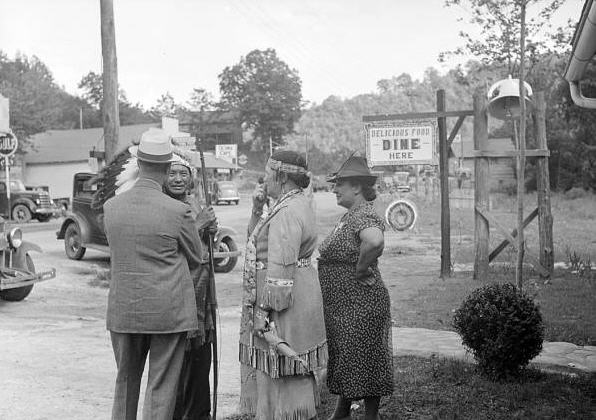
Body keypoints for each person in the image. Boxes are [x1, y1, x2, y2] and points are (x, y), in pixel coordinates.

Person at [104, 128, 203, 420]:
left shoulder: (112, 207)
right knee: (161, 387)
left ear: (140, 164)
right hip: (167, 312)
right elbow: (197, 256)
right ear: (164, 167)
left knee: (125, 381)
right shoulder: (177, 211)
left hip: (123, 310)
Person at [239, 150, 327, 420]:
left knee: (284, 369)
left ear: (283, 176)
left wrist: (263, 314)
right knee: (281, 370)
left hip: (284, 301)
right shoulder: (292, 204)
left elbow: (280, 268)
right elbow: (257, 242)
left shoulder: (287, 213)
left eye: (267, 173)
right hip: (294, 294)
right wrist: (257, 208)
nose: (264, 179)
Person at [318, 155, 393, 420]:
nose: (334, 189)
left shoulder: (363, 215)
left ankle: (370, 416)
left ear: (357, 187)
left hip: (361, 303)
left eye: (340, 184)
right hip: (346, 305)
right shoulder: (350, 216)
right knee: (352, 357)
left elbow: (374, 241)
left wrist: (361, 268)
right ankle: (342, 411)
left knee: (365, 358)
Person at [164, 159, 218, 420]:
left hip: (201, 297)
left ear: (191, 178)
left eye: (182, 174)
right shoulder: (164, 207)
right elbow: (171, 245)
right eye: (171, 173)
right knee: (179, 366)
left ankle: (199, 415)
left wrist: (211, 231)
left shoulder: (194, 202)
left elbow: (204, 248)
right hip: (179, 295)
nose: (177, 179)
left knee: (199, 364)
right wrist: (199, 224)